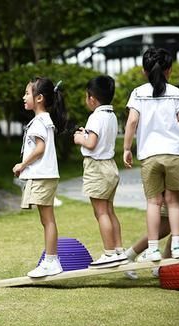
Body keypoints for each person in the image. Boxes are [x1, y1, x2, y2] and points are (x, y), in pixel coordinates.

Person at [123, 48, 179, 263]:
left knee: (154, 202)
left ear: (145, 71)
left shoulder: (138, 93)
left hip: (150, 155)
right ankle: (177, 245)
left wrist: (127, 148)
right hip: (173, 153)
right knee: (173, 201)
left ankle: (153, 249)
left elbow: (132, 122)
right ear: (169, 70)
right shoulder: (177, 93)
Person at [12, 77, 67, 278]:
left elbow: (40, 148)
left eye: (27, 93)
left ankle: (51, 261)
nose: (23, 97)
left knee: (47, 220)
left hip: (43, 175)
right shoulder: (44, 120)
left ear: (39, 98)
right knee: (47, 220)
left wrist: (22, 164)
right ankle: (51, 260)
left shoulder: (39, 121)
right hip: (47, 175)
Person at [73, 75, 127, 268]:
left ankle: (109, 253)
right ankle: (119, 250)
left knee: (101, 212)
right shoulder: (111, 116)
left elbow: (91, 143)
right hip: (110, 166)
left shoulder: (95, 117)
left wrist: (79, 138)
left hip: (97, 168)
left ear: (92, 98)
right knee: (110, 211)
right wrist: (86, 134)